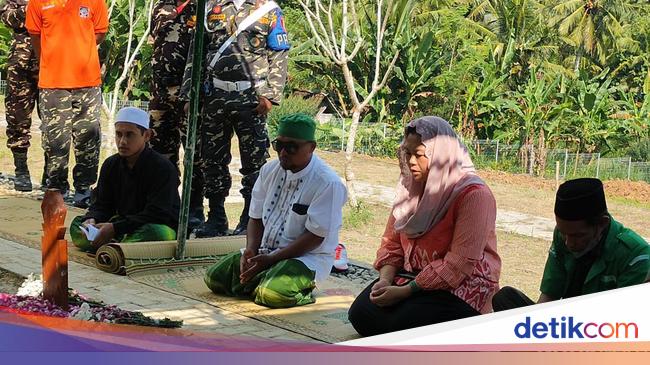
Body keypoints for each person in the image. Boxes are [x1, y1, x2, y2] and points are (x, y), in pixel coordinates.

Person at [348, 116, 501, 337]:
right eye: (407, 153)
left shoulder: (475, 196)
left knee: (404, 323)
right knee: (361, 313)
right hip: (411, 277)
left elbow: (458, 265)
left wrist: (404, 293)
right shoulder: (411, 190)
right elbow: (392, 243)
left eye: (419, 155)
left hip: (461, 284)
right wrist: (385, 280)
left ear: (441, 155)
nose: (411, 161)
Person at [203, 114, 347, 308]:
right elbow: (255, 217)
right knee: (215, 278)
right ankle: (263, 278)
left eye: (292, 147)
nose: (283, 152)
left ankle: (295, 288)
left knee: (271, 294)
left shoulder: (327, 183)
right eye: (279, 145)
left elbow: (315, 236)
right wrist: (251, 251)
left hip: (306, 259)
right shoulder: (269, 170)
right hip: (265, 252)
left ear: (311, 147)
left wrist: (272, 259)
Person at [182, 0, 290, 237]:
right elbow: (196, 51)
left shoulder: (269, 10)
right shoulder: (211, 7)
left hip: (251, 98)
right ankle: (216, 217)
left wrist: (270, 95)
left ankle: (249, 219)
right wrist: (190, 92)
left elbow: (279, 55)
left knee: (254, 163)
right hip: (215, 96)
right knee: (211, 160)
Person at [492, 178, 650, 311]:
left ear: (602, 223)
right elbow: (549, 296)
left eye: (577, 236)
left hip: (601, 334)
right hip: (563, 327)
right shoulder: (563, 236)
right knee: (505, 298)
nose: (568, 243)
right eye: (563, 233)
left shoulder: (635, 257)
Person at [25, 0, 108, 207]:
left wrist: (78, 50)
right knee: (55, 138)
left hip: (87, 82)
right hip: (53, 83)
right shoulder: (38, 3)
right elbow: (35, 35)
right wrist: (50, 60)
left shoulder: (95, 2)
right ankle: (56, 189)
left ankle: (84, 189)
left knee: (87, 137)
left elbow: (99, 33)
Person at [69, 107, 180, 252]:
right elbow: (103, 204)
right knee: (77, 224)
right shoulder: (110, 165)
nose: (122, 141)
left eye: (129, 135)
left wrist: (115, 228)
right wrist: (92, 219)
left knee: (156, 233)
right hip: (121, 223)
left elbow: (157, 214)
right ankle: (117, 246)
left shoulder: (162, 168)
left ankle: (112, 245)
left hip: (153, 224)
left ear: (146, 135)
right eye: (118, 134)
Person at [149, 0, 205, 231]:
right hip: (160, 94)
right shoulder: (161, 7)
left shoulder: (204, 8)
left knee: (193, 154)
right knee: (160, 153)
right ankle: (167, 204)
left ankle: (193, 209)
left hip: (188, 95)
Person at [1, 0, 40, 191]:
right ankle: (21, 170)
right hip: (21, 63)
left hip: (52, 59)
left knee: (55, 121)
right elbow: (7, 17)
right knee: (17, 117)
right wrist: (34, 9)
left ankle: (52, 174)